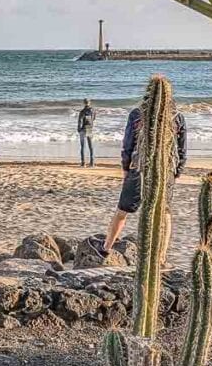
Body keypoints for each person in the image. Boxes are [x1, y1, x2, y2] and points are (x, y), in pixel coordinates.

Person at [92, 99, 187, 258]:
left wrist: (125, 167)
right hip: (166, 169)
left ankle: (106, 247)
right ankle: (161, 256)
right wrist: (177, 171)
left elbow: (128, 144)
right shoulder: (178, 117)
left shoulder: (137, 115)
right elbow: (181, 148)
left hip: (139, 167)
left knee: (123, 209)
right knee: (164, 212)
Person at [77, 98, 96, 167]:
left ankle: (83, 163)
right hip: (90, 128)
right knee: (91, 146)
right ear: (89, 103)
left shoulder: (82, 111)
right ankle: (92, 163)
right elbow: (93, 119)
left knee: (83, 146)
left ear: (84, 103)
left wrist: (78, 129)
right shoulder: (93, 111)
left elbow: (80, 121)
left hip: (83, 129)